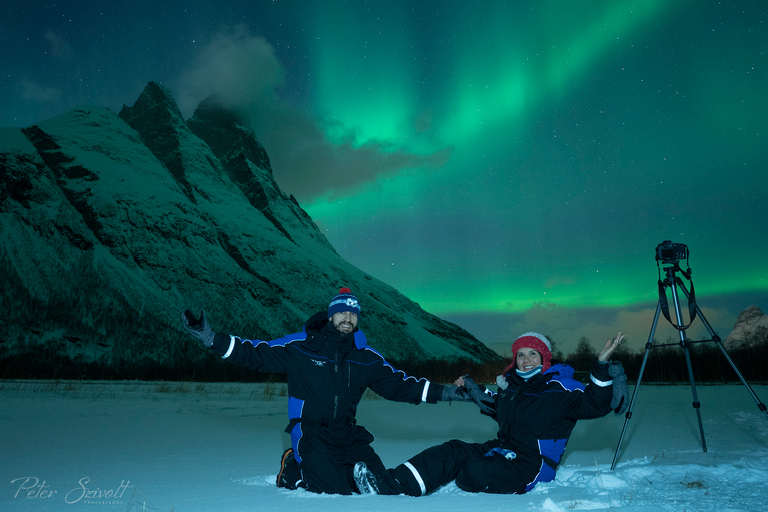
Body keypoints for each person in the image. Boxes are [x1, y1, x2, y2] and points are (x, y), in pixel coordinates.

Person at [181, 287, 465, 495]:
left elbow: (401, 385)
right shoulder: (301, 347)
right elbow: (257, 354)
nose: (347, 317)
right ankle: (294, 467)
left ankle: (342, 471)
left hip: (347, 433)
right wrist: (211, 339)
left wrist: (447, 393)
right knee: (333, 490)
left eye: (353, 313)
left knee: (380, 486)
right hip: (312, 432)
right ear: (330, 316)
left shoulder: (365, 356)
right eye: (341, 311)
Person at [353, 331, 628, 496]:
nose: (526, 359)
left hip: (532, 466)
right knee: (451, 450)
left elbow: (595, 404)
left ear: (545, 359)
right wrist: (472, 388)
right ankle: (389, 484)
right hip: (503, 449)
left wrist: (601, 365)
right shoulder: (514, 387)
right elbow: (494, 404)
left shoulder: (560, 387)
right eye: (521, 355)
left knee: (471, 470)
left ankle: (453, 475)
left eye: (533, 354)